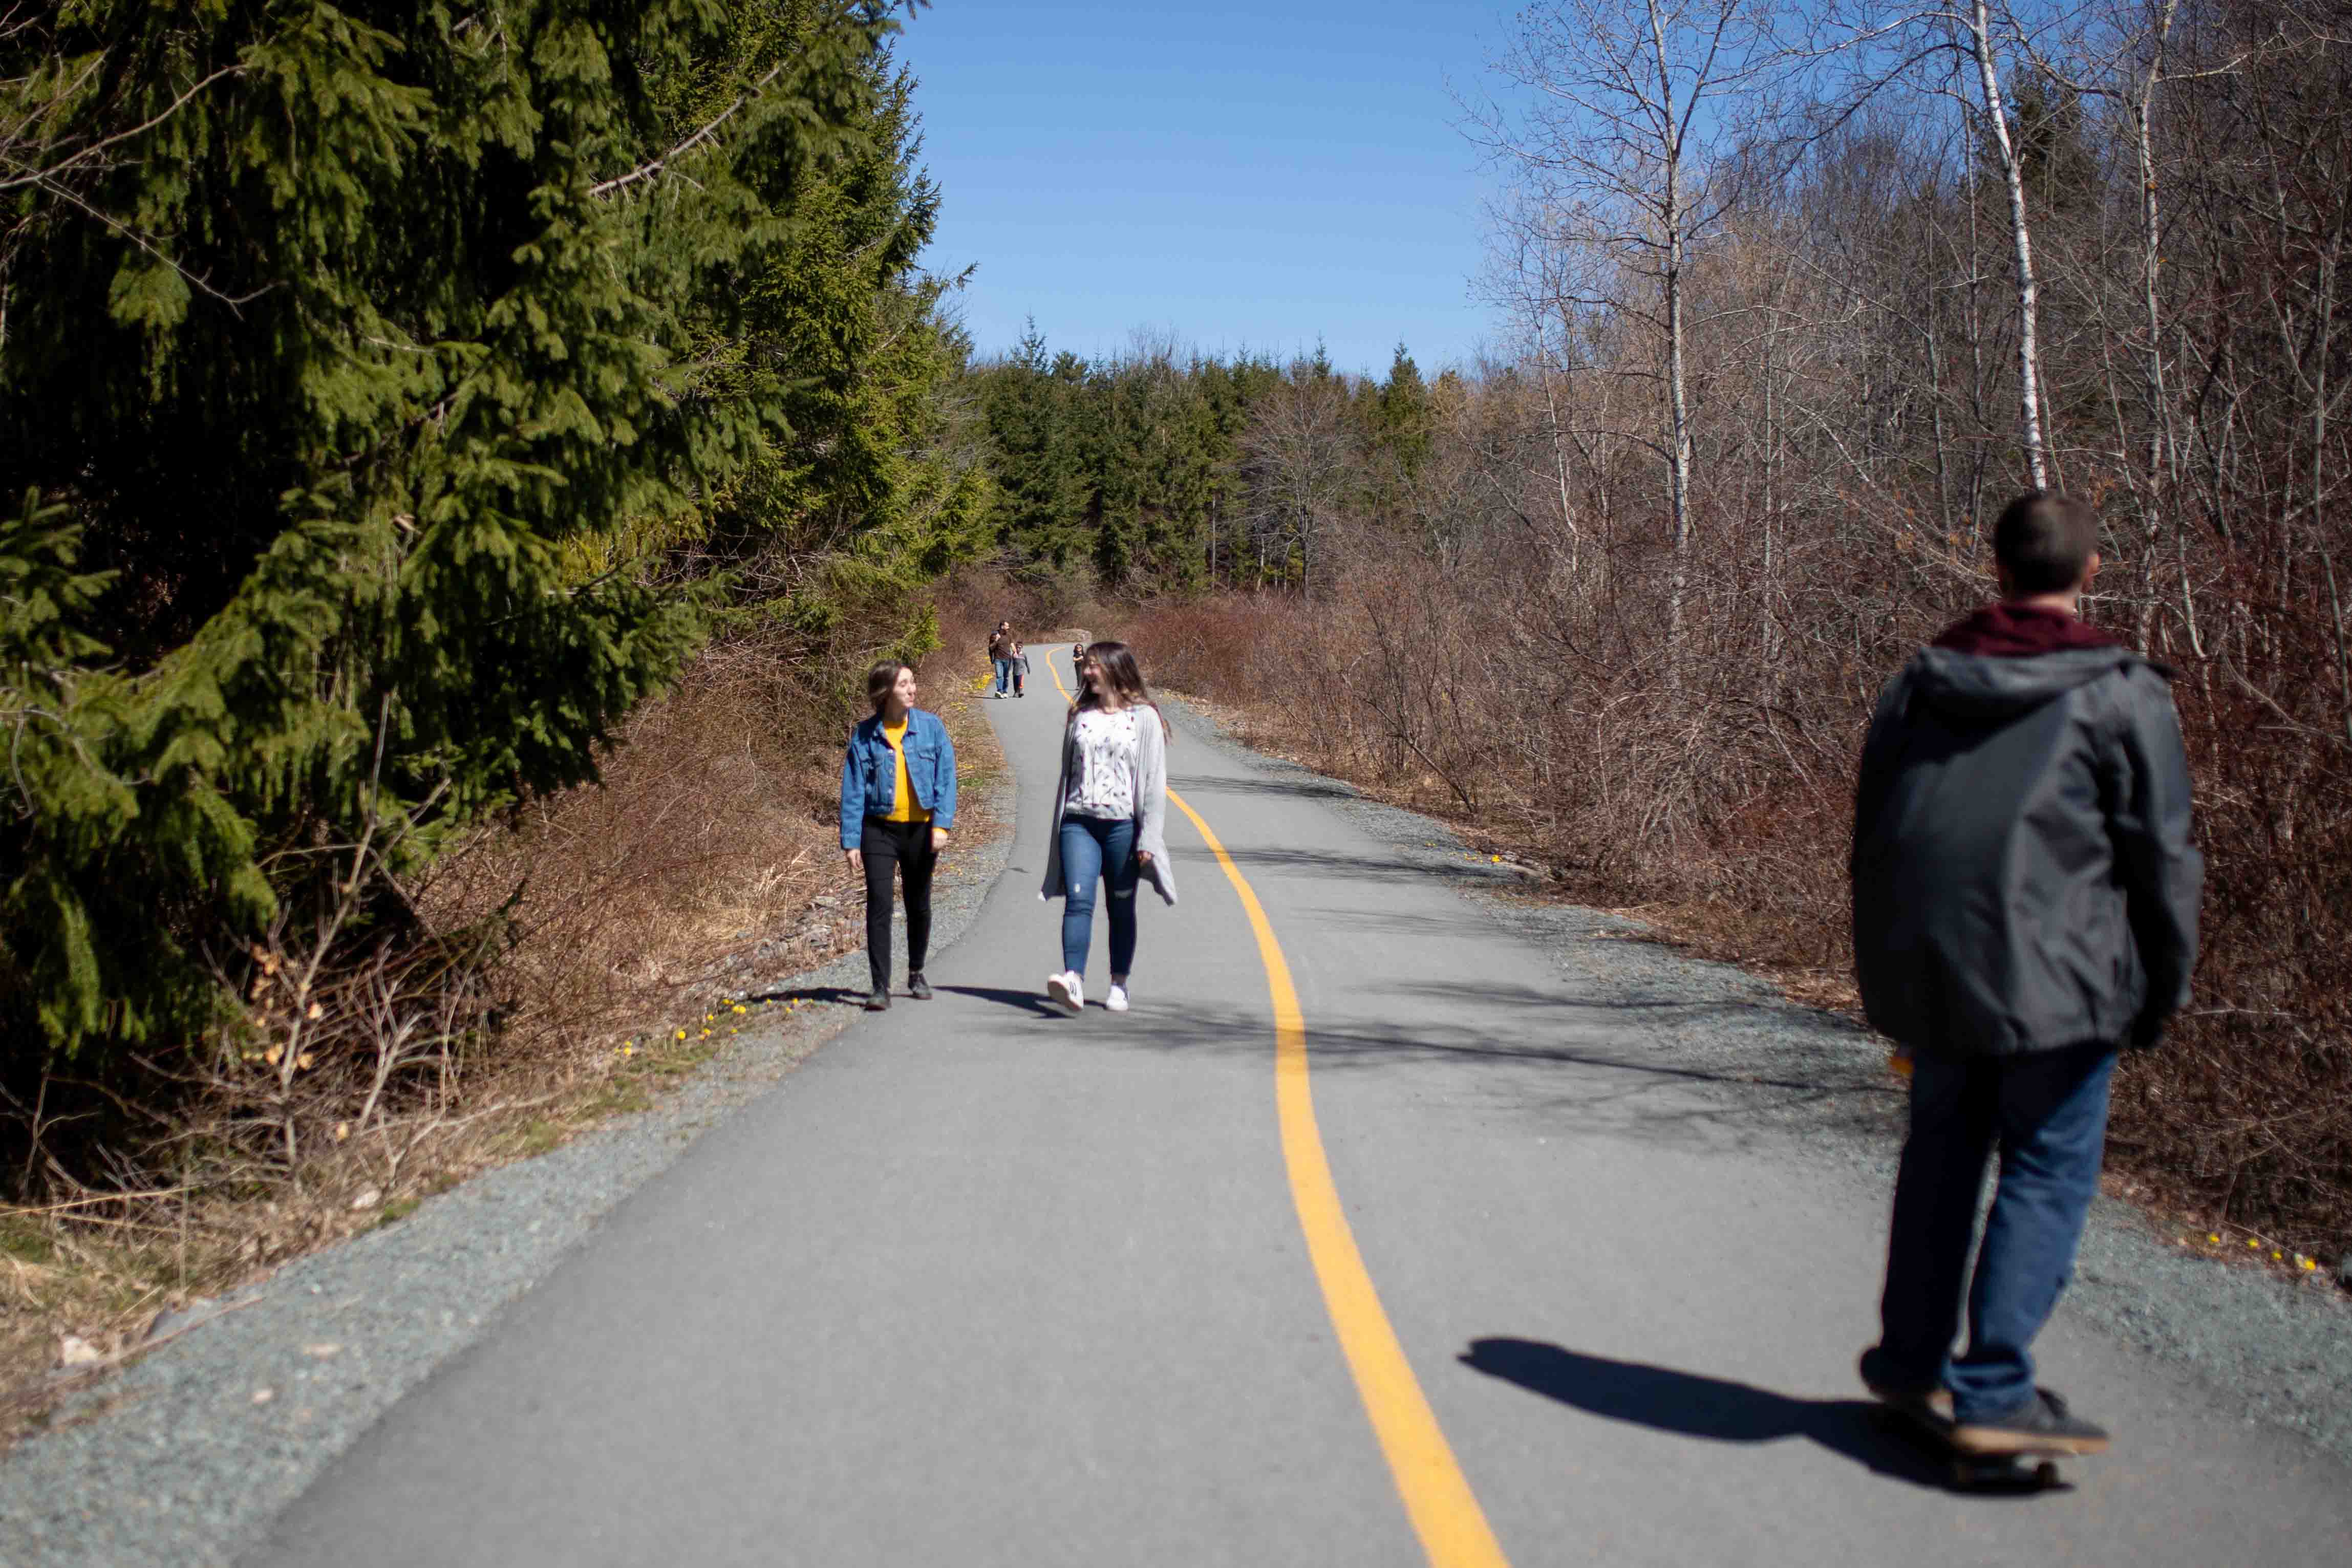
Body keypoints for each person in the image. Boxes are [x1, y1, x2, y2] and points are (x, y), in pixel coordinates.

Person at [1851, 491, 2201, 1457]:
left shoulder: (1919, 685)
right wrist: (2160, 985)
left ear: (1994, 568)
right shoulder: (2119, 689)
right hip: (2061, 977)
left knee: (1938, 1162)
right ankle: (1994, 1389)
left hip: (1933, 969)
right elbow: (2162, 854)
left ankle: (1907, 1364)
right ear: (2088, 572)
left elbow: (1872, 834)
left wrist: (1881, 969)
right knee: (2043, 1168)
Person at [1038, 641, 1177, 1015]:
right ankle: (1074, 980)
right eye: (1086, 667)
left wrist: (1148, 836)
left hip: (1122, 827)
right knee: (1079, 899)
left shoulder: (1145, 718)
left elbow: (1152, 784)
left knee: (1120, 905)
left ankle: (1119, 982)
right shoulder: (1079, 713)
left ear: (1115, 669)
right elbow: (1068, 773)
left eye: (1093, 667)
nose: (1086, 672)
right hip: (1078, 822)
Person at [839, 660, 957, 1011]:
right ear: (885, 691)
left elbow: (946, 779)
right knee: (879, 903)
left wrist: (941, 825)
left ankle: (917, 971)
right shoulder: (864, 735)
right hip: (879, 829)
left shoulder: (931, 728)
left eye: (913, 682)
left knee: (918, 903)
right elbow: (854, 790)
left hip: (921, 830)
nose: (912, 689)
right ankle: (879, 986)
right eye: (904, 684)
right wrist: (851, 840)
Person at [988, 621, 1017, 698]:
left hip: (1008, 659)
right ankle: (999, 691)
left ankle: (1005, 692)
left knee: (1006, 677)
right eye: (1007, 627)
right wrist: (996, 640)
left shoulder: (1009, 636)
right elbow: (991, 648)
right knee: (999, 676)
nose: (1008, 628)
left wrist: (1015, 652)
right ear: (1002, 627)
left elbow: (1012, 645)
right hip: (998, 659)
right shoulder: (994, 636)